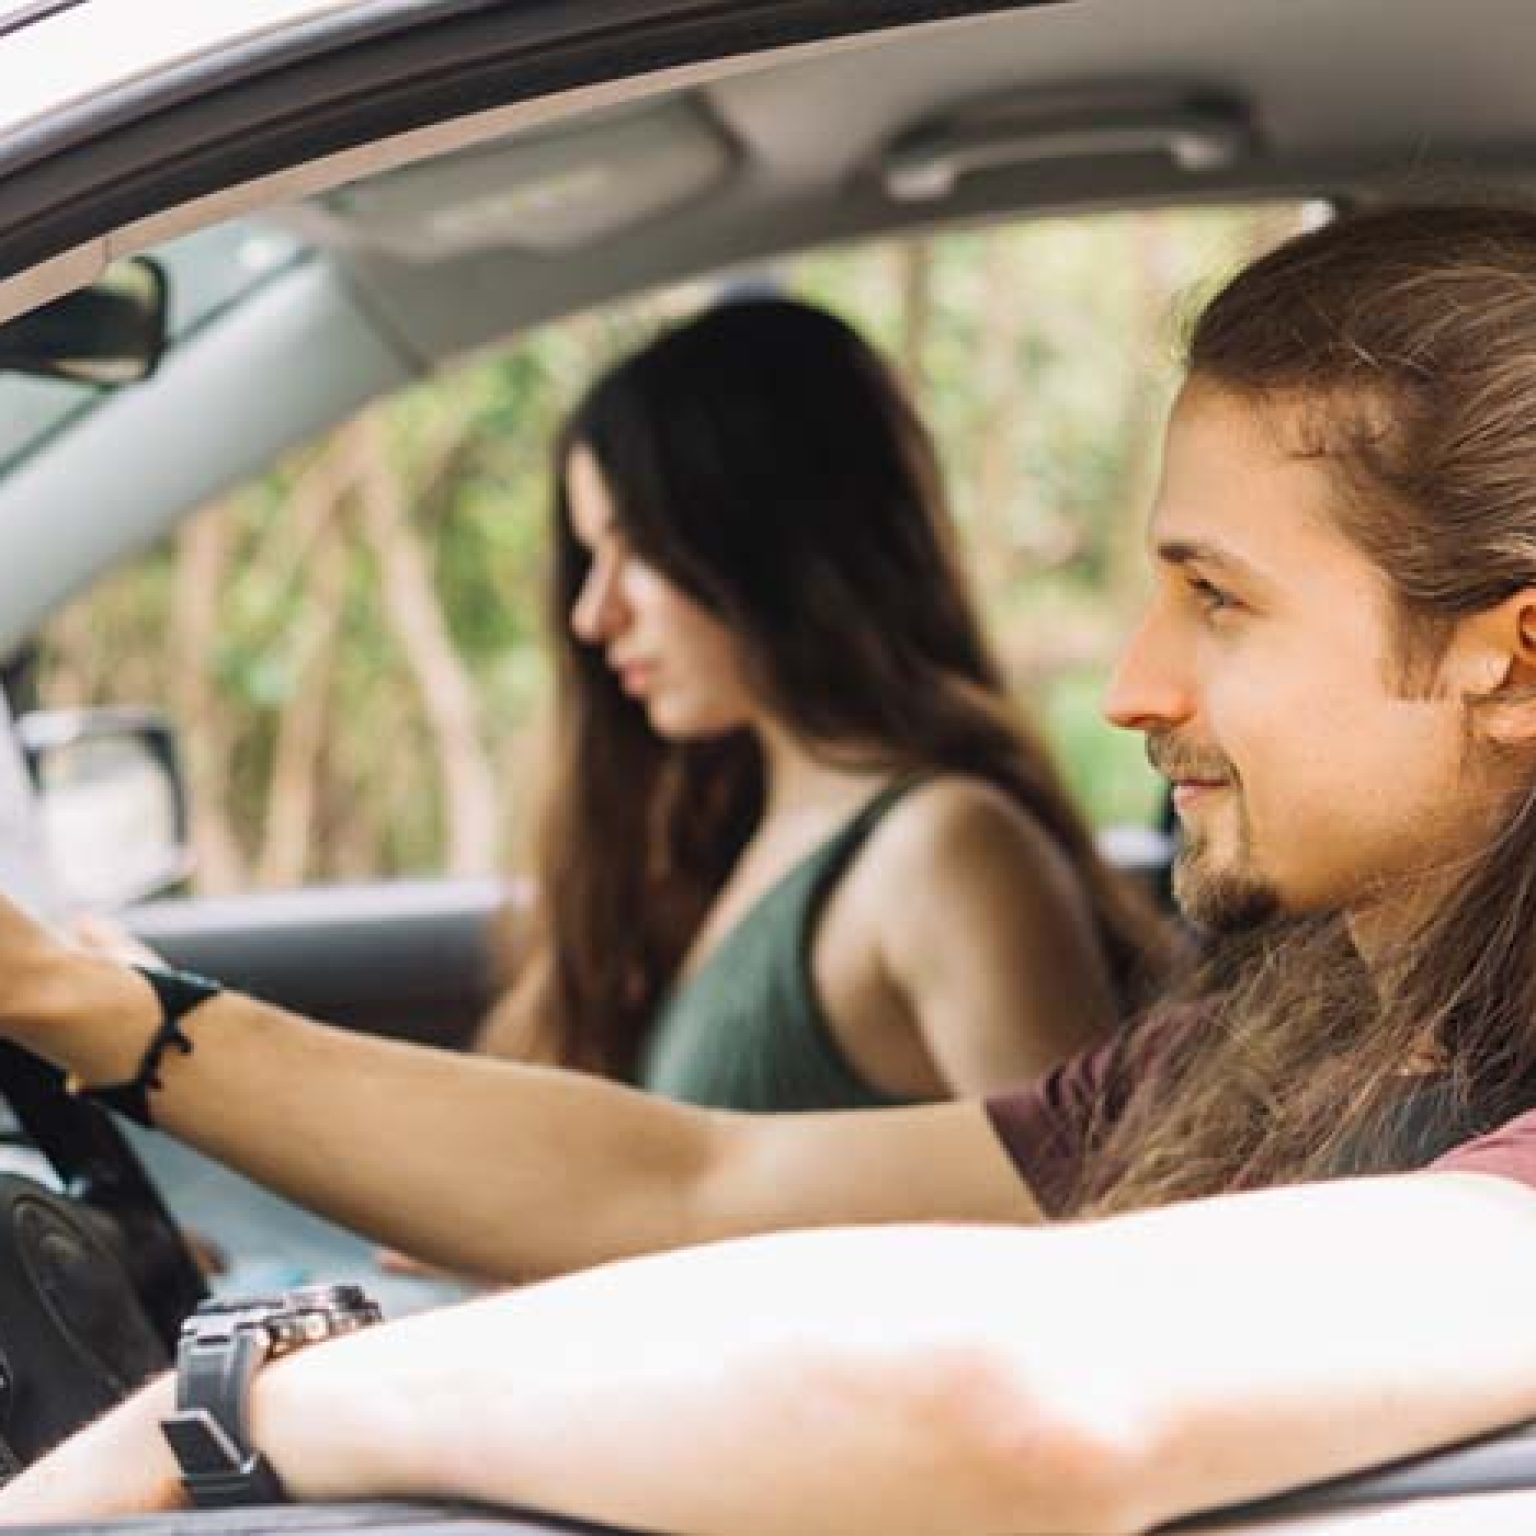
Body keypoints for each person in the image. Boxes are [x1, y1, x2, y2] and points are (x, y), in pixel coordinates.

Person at [12, 202, 1536, 1531]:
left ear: (1514, 661)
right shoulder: (1275, 1047)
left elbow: (1037, 1395)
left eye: (1217, 599)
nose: (1133, 685)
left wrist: (240, 1411)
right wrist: (102, 1014)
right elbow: (694, 1179)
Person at [473, 296, 1166, 1108]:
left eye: (638, 548)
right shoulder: (738, 837)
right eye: (593, 556)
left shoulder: (943, 853)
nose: (595, 615)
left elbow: (1097, 1219)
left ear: (766, 541)